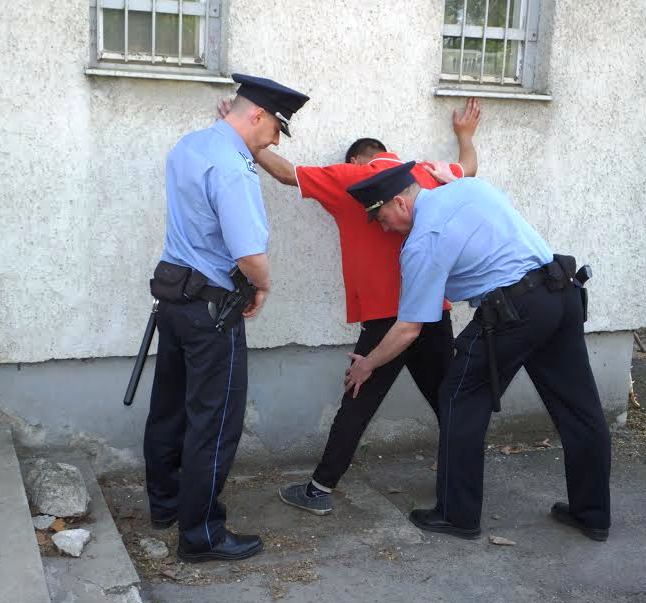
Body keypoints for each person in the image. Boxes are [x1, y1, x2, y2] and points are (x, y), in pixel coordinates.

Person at [221, 98, 479, 515]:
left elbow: (287, 174)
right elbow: (468, 169)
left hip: (385, 317)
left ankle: (319, 490)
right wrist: (465, 135)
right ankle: (461, 488)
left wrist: (243, 135)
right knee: (449, 399)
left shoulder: (352, 177)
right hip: (433, 310)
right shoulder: (425, 174)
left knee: (358, 400)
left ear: (358, 159)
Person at [344, 162, 611, 542]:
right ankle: (593, 514)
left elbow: (409, 329)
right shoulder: (469, 188)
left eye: (382, 218)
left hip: (514, 309)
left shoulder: (424, 240)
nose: (385, 228)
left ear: (400, 203)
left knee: (459, 396)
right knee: (579, 407)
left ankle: (457, 515)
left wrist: (367, 364)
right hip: (562, 293)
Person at [143, 74, 309, 562]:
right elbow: (249, 253)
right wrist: (263, 285)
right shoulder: (234, 168)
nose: (276, 140)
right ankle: (201, 535)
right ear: (256, 115)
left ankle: (166, 505)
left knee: (170, 408)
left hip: (174, 300)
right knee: (213, 423)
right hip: (212, 311)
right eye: (276, 127)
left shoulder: (189, 146)